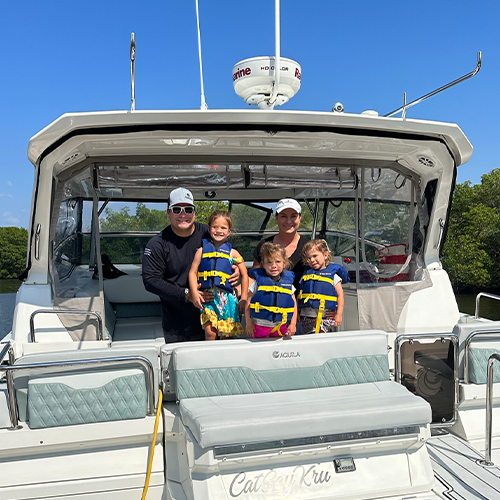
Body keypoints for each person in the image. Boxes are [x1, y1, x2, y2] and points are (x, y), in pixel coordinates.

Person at [142, 188, 239, 343]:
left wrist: (236, 271)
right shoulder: (157, 244)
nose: (183, 214)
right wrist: (187, 294)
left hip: (217, 319)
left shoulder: (210, 233)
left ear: (194, 212)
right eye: (176, 209)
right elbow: (151, 281)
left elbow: (228, 256)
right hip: (178, 326)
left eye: (188, 209)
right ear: (168, 212)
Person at [188, 210, 248, 340]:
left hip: (228, 300)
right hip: (209, 298)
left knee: (226, 335)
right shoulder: (201, 251)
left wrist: (243, 298)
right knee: (210, 332)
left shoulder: (234, 253)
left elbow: (244, 274)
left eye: (223, 228)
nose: (219, 230)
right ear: (209, 229)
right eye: (215, 227)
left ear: (229, 231)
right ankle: (209, 358)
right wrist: (194, 291)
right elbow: (192, 272)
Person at [253, 198, 308, 292]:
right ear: (277, 217)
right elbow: (253, 278)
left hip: (303, 304)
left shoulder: (309, 248)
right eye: (283, 216)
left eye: (293, 216)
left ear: (300, 218)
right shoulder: (263, 245)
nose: (288, 221)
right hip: (267, 304)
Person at [246, 242, 298, 338]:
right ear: (263, 264)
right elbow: (248, 303)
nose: (273, 265)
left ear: (284, 263)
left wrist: (293, 324)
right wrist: (249, 324)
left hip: (281, 325)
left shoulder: (288, 283)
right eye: (269, 262)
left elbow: (294, 304)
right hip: (260, 325)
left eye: (277, 262)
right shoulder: (258, 282)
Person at [298, 239, 349, 334]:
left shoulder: (333, 276)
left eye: (315, 256)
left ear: (325, 255)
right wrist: (296, 312)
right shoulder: (306, 275)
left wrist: (339, 314)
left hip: (325, 317)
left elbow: (340, 295)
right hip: (306, 318)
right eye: (309, 258)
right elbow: (300, 294)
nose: (312, 260)